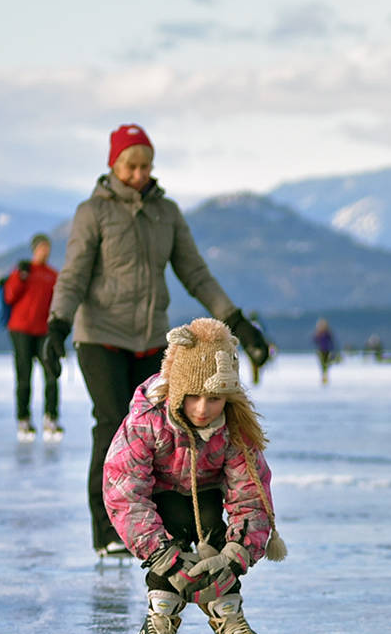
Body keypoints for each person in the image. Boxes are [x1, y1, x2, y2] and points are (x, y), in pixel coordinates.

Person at [44, 124, 270, 559]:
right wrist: (57, 325)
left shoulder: (166, 213)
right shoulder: (93, 213)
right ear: (114, 164)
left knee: (165, 432)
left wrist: (235, 318)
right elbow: (72, 275)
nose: (139, 174)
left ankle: (168, 524)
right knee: (113, 426)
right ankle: (108, 529)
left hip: (151, 340)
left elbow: (195, 272)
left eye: (146, 165)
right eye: (131, 165)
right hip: (101, 338)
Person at [103, 318, 284, 634]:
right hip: (160, 500)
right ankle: (161, 613)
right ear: (177, 391)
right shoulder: (147, 420)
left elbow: (250, 493)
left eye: (215, 398)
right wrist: (163, 556)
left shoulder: (235, 428)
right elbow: (125, 490)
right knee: (174, 531)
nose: (203, 409)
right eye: (193, 397)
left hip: (207, 497)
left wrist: (237, 555)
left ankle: (228, 614)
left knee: (215, 536)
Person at [4, 233, 61, 441]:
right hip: (21, 330)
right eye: (41, 248)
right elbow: (9, 296)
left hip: (44, 332)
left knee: (51, 376)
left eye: (48, 248)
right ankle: (23, 418)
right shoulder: (23, 271)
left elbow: (58, 303)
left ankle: (51, 417)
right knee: (24, 377)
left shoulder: (52, 275)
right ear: (35, 249)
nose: (45, 252)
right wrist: (20, 277)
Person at [312, 318, 337, 384]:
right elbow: (315, 341)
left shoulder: (327, 333)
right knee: (323, 364)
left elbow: (331, 342)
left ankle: (325, 377)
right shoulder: (319, 333)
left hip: (327, 350)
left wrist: (332, 350)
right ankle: (324, 377)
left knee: (326, 364)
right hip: (320, 351)